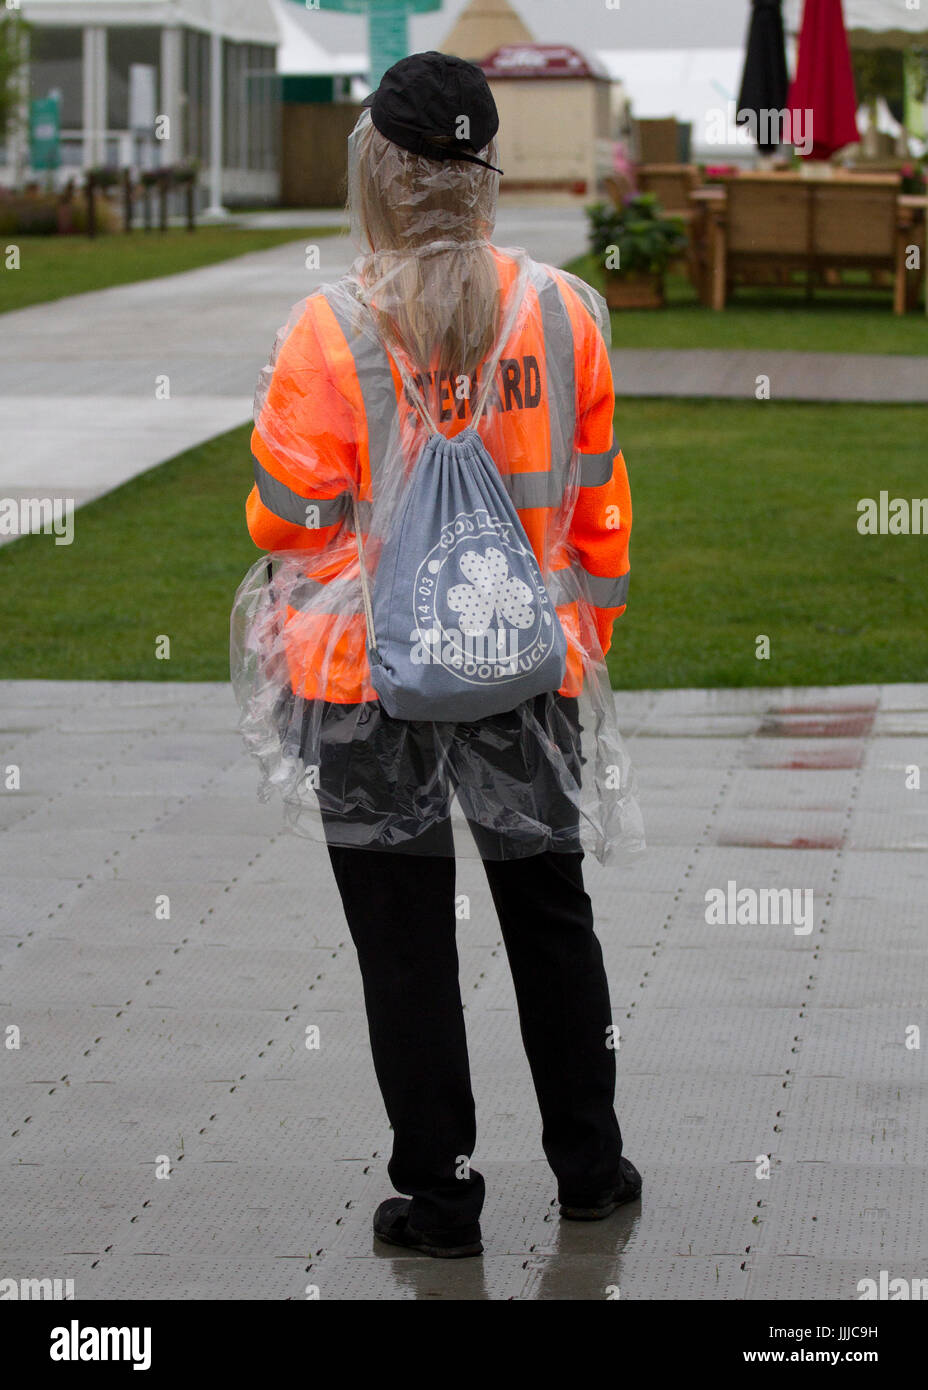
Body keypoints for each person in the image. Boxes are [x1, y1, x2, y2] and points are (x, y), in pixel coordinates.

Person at [234, 51, 644, 1259]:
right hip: (526, 665)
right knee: (549, 916)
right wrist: (576, 645)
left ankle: (442, 1198)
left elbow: (285, 518)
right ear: (483, 177)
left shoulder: (330, 328)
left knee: (406, 945)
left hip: (365, 684)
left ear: (380, 175)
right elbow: (596, 506)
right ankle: (590, 1167)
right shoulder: (566, 314)